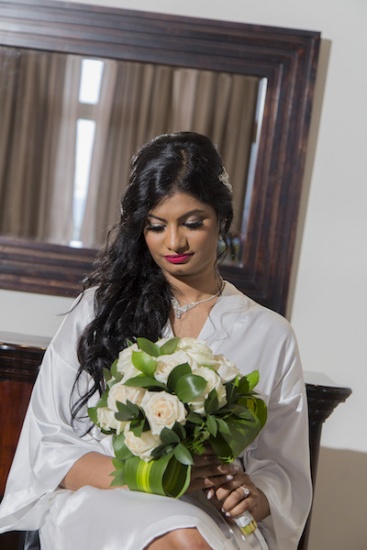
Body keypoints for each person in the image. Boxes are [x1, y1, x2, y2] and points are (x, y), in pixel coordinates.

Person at [0, 132, 312, 549]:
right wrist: (152, 476)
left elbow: (282, 468)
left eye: (193, 223)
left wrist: (252, 495)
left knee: (191, 534)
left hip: (211, 512)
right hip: (103, 498)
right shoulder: (97, 311)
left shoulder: (269, 333)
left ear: (221, 218)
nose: (174, 243)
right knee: (182, 537)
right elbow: (48, 446)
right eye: (157, 226)